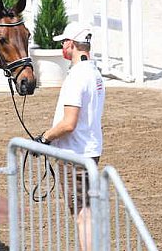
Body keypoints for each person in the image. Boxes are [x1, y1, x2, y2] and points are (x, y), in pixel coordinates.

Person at [34, 22, 104, 251]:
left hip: (74, 153)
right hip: (90, 149)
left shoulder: (76, 77)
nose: (63, 46)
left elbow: (69, 123)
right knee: (87, 210)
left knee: (82, 213)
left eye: (64, 42)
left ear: (71, 44)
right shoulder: (94, 73)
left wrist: (45, 138)